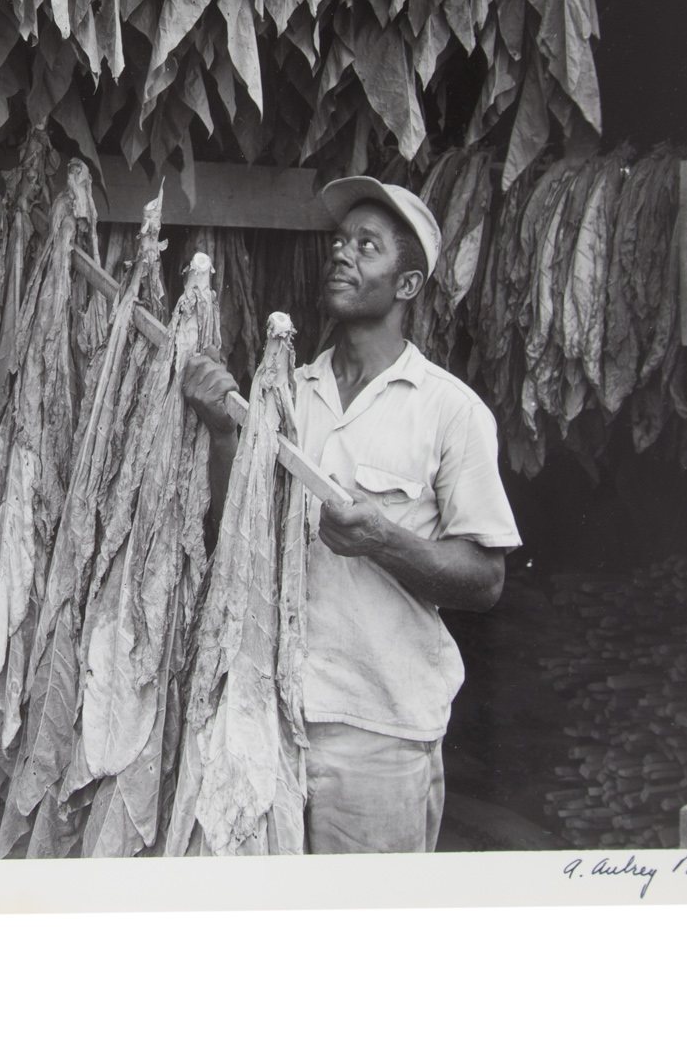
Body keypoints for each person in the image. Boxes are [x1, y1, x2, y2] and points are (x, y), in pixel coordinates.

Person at [182, 175, 521, 854]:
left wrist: (384, 541)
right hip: (272, 716)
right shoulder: (286, 394)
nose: (342, 254)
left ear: (407, 286)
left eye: (366, 246)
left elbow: (485, 579)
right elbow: (238, 537)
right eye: (339, 242)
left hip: (382, 731)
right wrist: (224, 434)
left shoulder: (450, 412)